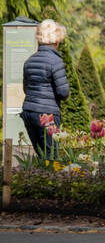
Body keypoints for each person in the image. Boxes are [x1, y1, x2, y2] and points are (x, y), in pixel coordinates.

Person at [20, 20, 69, 161]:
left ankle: (38, 180)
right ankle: (48, 182)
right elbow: (63, 92)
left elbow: (26, 88)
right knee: (51, 155)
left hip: (29, 112)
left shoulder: (29, 61)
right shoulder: (56, 61)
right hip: (47, 114)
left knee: (41, 155)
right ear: (57, 42)